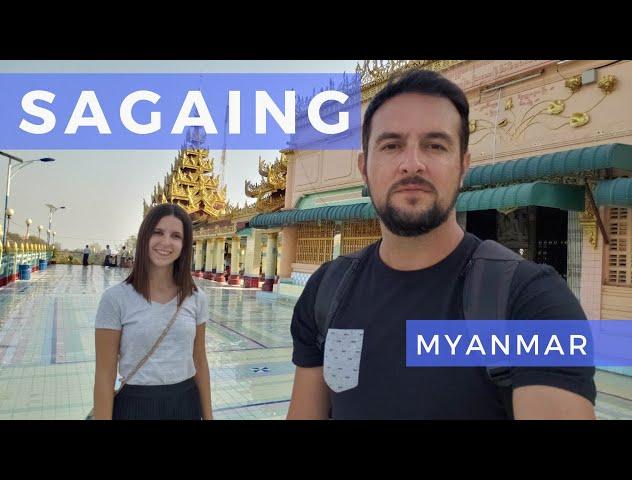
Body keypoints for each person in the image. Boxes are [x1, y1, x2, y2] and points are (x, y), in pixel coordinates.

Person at [286, 69, 596, 420]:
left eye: (435, 146)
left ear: (463, 166)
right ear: (364, 167)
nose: (412, 164)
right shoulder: (327, 292)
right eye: (391, 145)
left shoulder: (529, 302)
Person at [93, 203, 213, 420]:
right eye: (158, 232)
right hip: (135, 405)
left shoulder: (196, 299)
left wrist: (209, 418)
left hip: (185, 404)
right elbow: (104, 374)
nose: (166, 242)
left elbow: (200, 361)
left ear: (184, 245)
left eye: (176, 236)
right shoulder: (115, 299)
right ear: (145, 237)